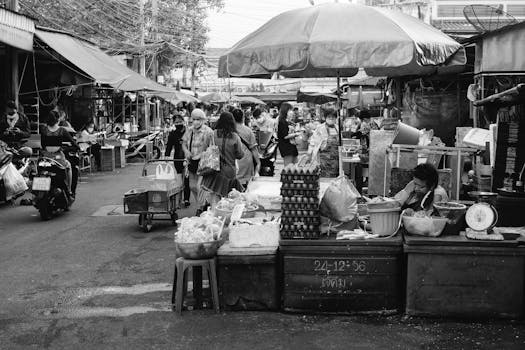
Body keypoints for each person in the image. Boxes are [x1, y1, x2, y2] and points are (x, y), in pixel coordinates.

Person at [201, 112, 244, 207]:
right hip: (229, 172)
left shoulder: (212, 134)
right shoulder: (235, 137)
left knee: (215, 202)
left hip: (214, 171)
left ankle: (216, 219)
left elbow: (204, 149)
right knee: (229, 202)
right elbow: (240, 154)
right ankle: (227, 220)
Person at [182, 108, 214, 215]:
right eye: (193, 119)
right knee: (192, 186)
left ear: (202, 120)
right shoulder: (189, 130)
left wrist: (203, 154)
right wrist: (186, 151)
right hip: (192, 161)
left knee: (199, 186)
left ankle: (200, 208)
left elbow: (212, 148)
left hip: (203, 162)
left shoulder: (208, 132)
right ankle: (202, 203)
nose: (195, 121)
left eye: (198, 119)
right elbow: (184, 143)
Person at [40, 110, 79, 196]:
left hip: (46, 157)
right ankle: (69, 190)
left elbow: (43, 145)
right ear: (58, 120)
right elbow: (74, 144)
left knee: (40, 171)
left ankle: (40, 191)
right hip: (58, 157)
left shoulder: (44, 130)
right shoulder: (62, 130)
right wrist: (71, 148)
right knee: (68, 166)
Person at [165, 114, 190, 208]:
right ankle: (179, 200)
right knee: (179, 181)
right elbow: (169, 146)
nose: (178, 124)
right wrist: (167, 155)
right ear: (173, 123)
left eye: (180, 122)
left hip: (187, 157)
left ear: (183, 121)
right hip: (177, 159)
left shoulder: (188, 131)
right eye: (176, 122)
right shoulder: (172, 134)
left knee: (187, 180)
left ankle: (186, 199)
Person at [306, 108, 340, 178]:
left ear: (336, 118)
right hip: (324, 159)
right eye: (329, 117)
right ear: (325, 118)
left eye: (333, 117)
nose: (331, 119)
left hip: (336, 159)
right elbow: (313, 141)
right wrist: (309, 154)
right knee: (324, 178)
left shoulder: (338, 128)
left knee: (334, 178)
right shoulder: (320, 128)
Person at [232, 108, 260, 188]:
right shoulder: (248, 131)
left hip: (233, 162)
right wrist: (258, 163)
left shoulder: (229, 131)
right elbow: (254, 149)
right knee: (245, 188)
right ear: (243, 118)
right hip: (246, 162)